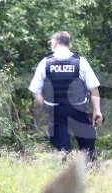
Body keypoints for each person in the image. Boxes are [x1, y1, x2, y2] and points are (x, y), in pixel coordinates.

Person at [30, 31, 103, 160]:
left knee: (63, 151)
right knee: (88, 149)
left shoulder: (45, 63)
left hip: (57, 112)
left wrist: (47, 108)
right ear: (68, 43)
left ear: (56, 42)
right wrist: (97, 111)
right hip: (78, 110)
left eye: (51, 42)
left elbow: (36, 90)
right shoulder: (80, 61)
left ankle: (65, 174)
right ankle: (91, 172)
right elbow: (94, 89)